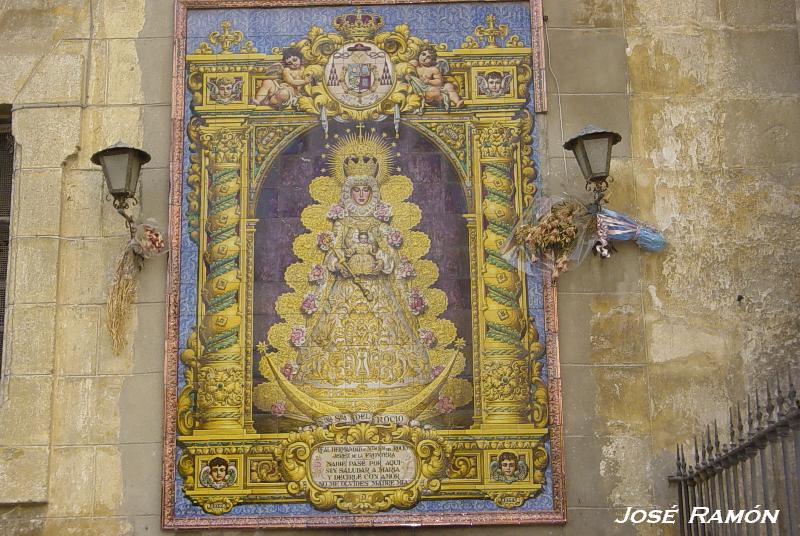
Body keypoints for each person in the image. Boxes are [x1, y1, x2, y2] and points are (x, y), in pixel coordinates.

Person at [292, 155, 434, 408]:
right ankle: (335, 385)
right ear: (348, 192)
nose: (360, 195)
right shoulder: (342, 222)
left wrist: (382, 261)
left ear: (373, 191)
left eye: (365, 190)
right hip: (346, 288)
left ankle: (392, 383)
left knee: (387, 328)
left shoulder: (378, 222)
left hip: (377, 287)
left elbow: (390, 251)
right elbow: (331, 255)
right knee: (336, 327)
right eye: (356, 190)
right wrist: (339, 263)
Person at [405, 45, 464, 111]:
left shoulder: (433, 69)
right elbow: (406, 70)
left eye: (428, 57)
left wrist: (429, 81)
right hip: (419, 89)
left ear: (432, 60)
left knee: (448, 86)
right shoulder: (415, 65)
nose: (424, 58)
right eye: (423, 54)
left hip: (431, 87)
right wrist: (408, 76)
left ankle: (457, 101)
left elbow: (439, 81)